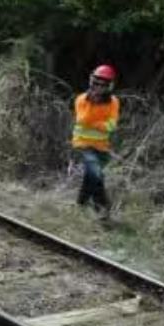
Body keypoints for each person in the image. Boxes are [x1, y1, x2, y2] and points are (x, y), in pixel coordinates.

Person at [72, 64, 121, 221]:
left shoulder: (113, 102)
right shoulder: (81, 99)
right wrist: (95, 109)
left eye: (102, 85)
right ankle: (103, 208)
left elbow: (111, 126)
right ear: (91, 82)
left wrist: (98, 124)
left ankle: (80, 204)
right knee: (96, 174)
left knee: (90, 177)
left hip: (101, 147)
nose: (98, 87)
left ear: (109, 86)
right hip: (82, 144)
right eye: (95, 83)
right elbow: (82, 119)